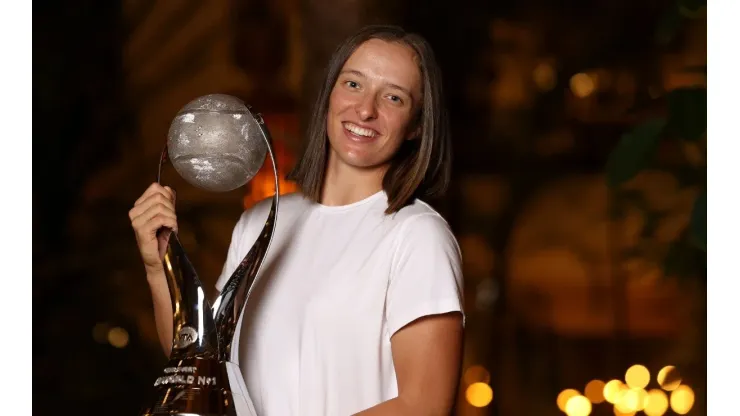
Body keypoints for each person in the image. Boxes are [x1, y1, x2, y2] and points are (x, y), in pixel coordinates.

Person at [130, 24, 465, 416]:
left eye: (393, 97)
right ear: (330, 94)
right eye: (353, 84)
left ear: (417, 126)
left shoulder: (417, 236)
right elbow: (201, 370)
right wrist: (160, 267)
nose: (366, 109)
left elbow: (423, 405)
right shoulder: (259, 223)